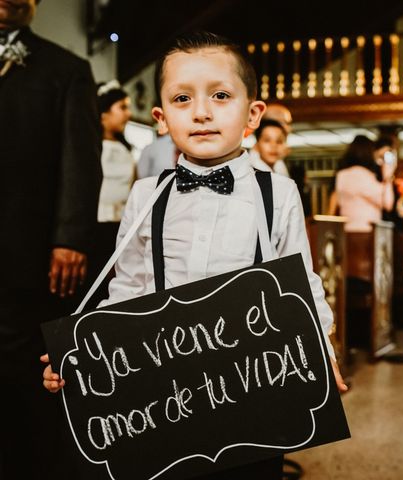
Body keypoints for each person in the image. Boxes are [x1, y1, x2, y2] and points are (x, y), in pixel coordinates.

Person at [42, 31, 346, 479]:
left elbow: (302, 280)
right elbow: (127, 285)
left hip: (254, 383)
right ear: (162, 119)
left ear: (252, 114)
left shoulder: (278, 194)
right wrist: (85, 354)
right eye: (183, 99)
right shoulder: (146, 195)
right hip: (167, 394)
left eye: (221, 96)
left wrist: (321, 345)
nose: (201, 112)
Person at [0, 0, 103, 478]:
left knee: (24, 377)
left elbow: (80, 162)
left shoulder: (67, 69)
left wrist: (71, 238)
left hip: (27, 250)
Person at [88, 80, 136, 307]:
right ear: (103, 113)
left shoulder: (127, 149)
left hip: (120, 227)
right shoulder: (89, 147)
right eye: (122, 107)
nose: (128, 113)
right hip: (94, 226)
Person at [331, 135, 395, 232]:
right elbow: (387, 203)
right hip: (366, 232)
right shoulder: (364, 176)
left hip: (346, 230)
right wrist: (388, 177)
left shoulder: (341, 175)